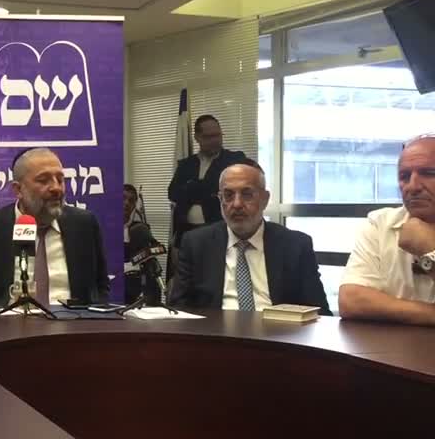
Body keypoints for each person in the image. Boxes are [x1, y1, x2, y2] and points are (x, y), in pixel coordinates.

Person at [0, 148, 109, 307]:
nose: (56, 188)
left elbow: (100, 286)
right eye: (43, 180)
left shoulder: (83, 224)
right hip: (5, 322)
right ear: (18, 189)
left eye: (60, 180)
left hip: (72, 321)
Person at [170, 162, 331, 315]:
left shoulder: (295, 245)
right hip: (216, 331)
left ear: (265, 199)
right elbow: (178, 310)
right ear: (220, 200)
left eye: (247, 195)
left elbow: (320, 312)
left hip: (277, 331)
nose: (237, 204)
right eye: (228, 195)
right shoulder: (196, 244)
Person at [339, 134, 435, 325]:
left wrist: (429, 251)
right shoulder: (380, 223)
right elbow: (350, 300)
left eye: (429, 173)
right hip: (390, 344)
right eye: (404, 176)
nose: (413, 186)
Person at [167, 115, 247, 275]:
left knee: (215, 277)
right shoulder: (186, 164)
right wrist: (207, 190)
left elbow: (230, 190)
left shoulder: (234, 160)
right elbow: (173, 193)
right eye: (209, 137)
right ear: (197, 137)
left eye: (218, 135)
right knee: (187, 278)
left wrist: (192, 188)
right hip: (186, 233)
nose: (215, 140)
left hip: (220, 233)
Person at [123, 184, 165, 305]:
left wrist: (136, 260)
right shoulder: (105, 226)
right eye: (123, 198)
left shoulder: (139, 229)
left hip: (134, 288)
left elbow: (159, 248)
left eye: (131, 200)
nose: (126, 203)